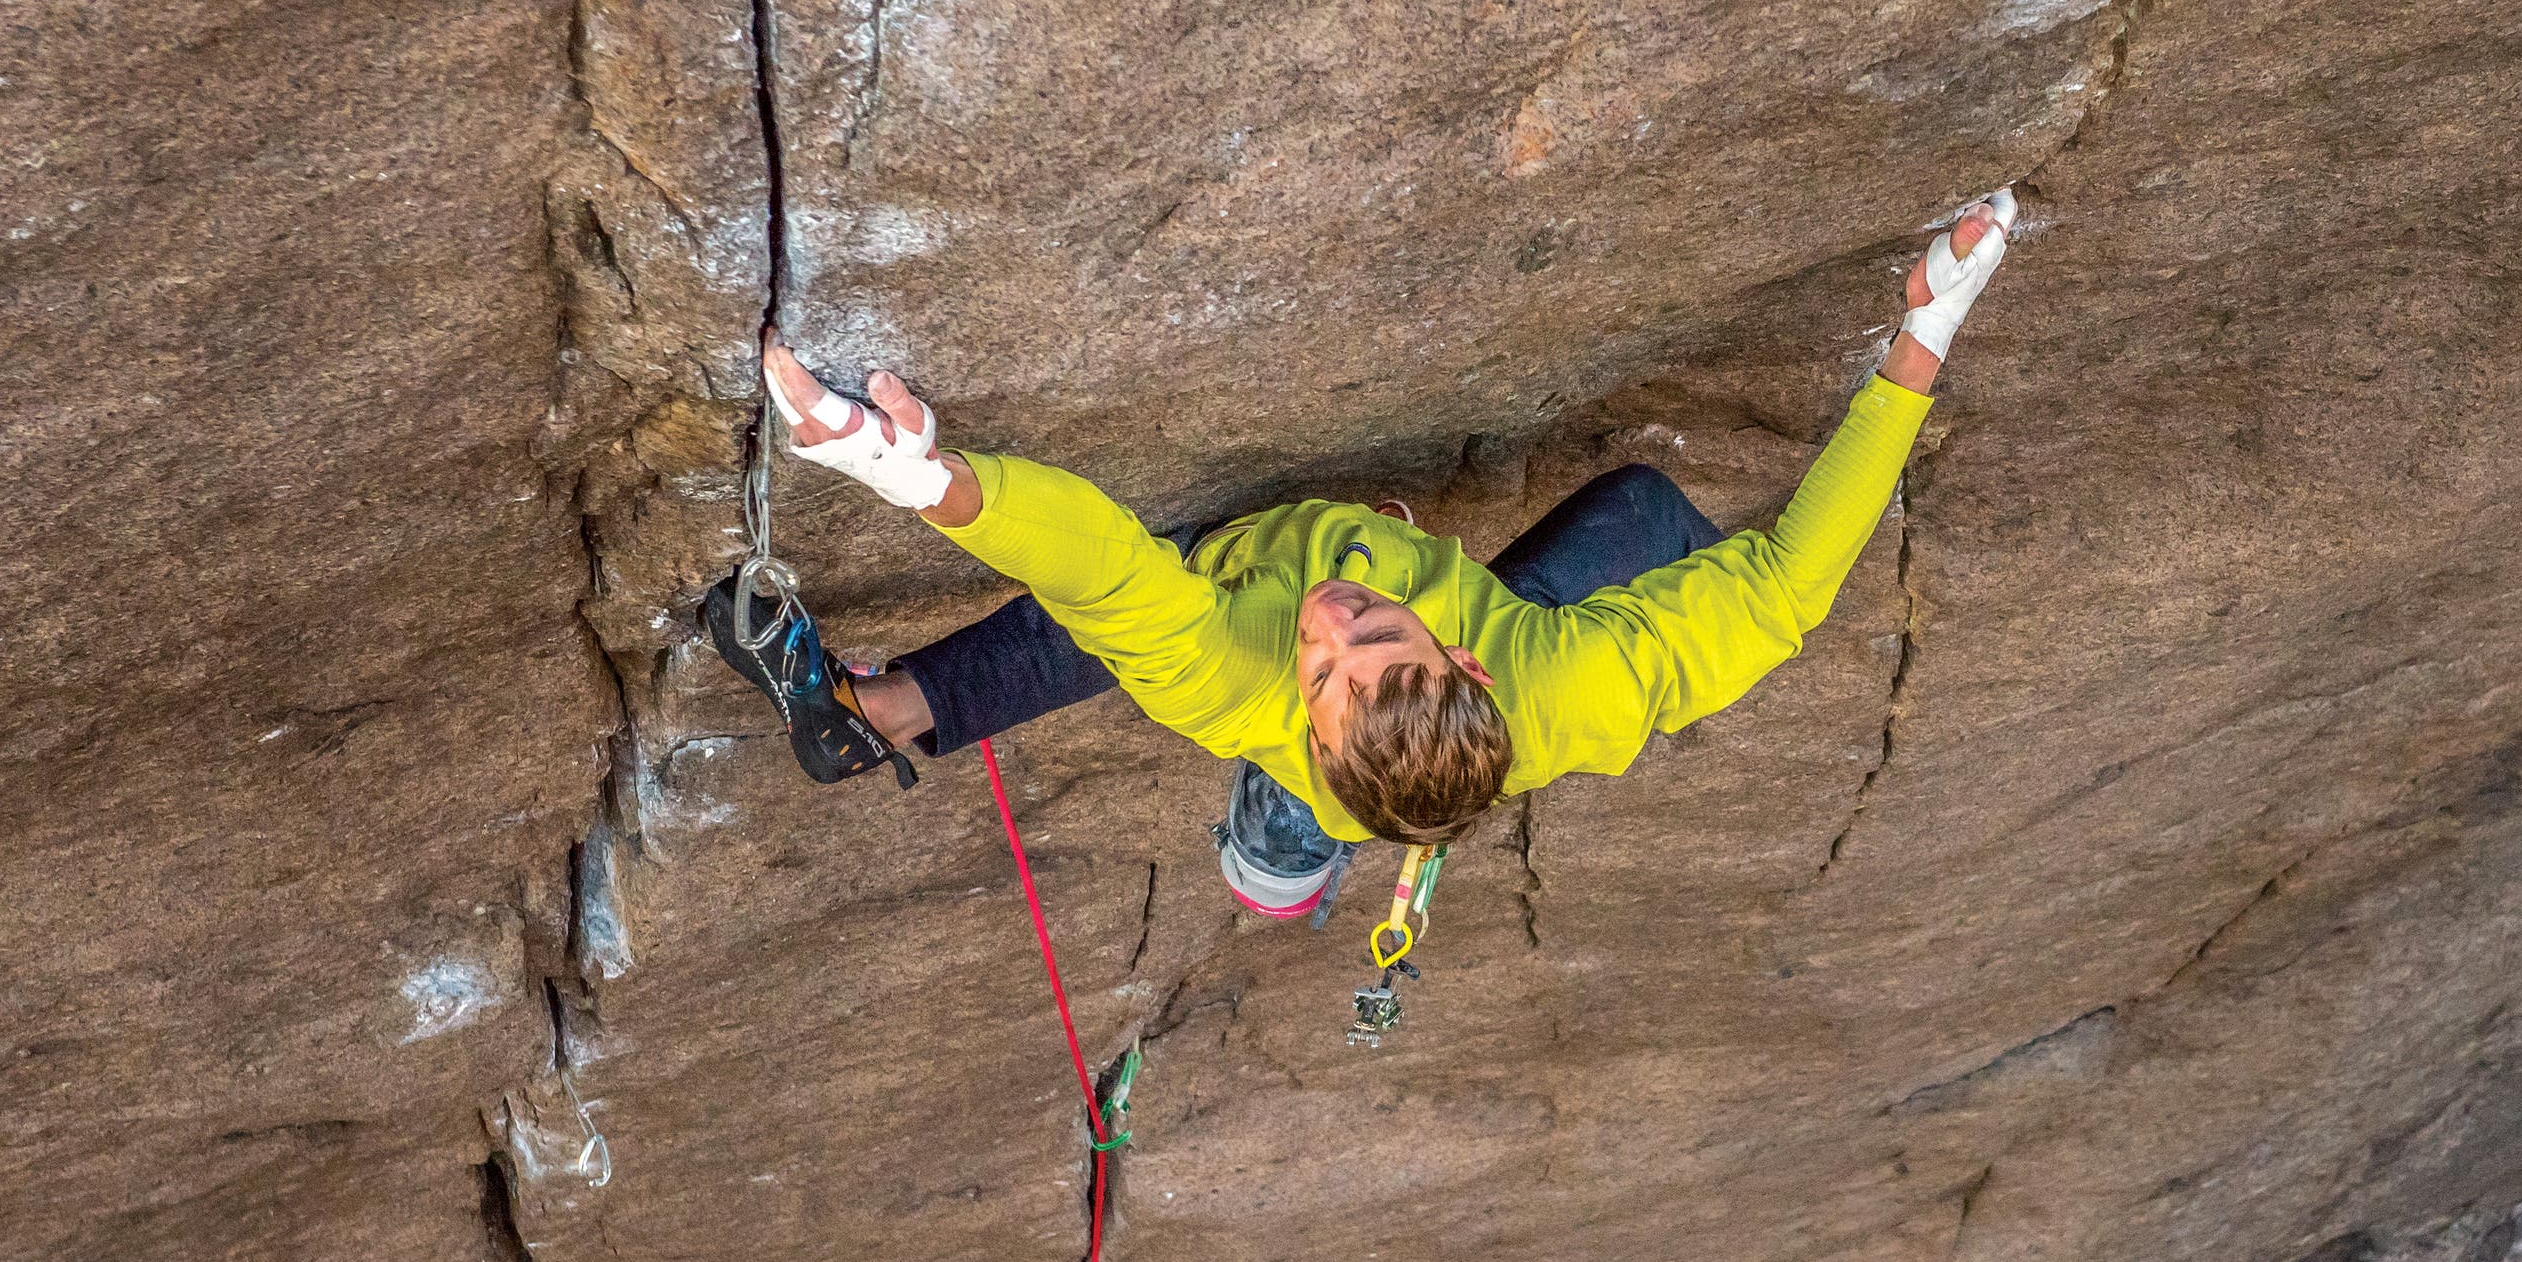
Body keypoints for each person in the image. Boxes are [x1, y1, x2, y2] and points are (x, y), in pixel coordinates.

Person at [709, 193, 2020, 920]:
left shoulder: (1236, 677)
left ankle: (900, 715)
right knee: (1652, 519)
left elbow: (1103, 567)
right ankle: (892, 720)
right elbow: (1790, 589)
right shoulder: (1569, 681)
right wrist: (1924, 342)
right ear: (1457, 652)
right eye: (1375, 631)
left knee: (1145, 611)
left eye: (1329, 666)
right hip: (1517, 672)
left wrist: (930, 479)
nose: (1333, 620)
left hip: (1255, 647)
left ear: (1306, 725)